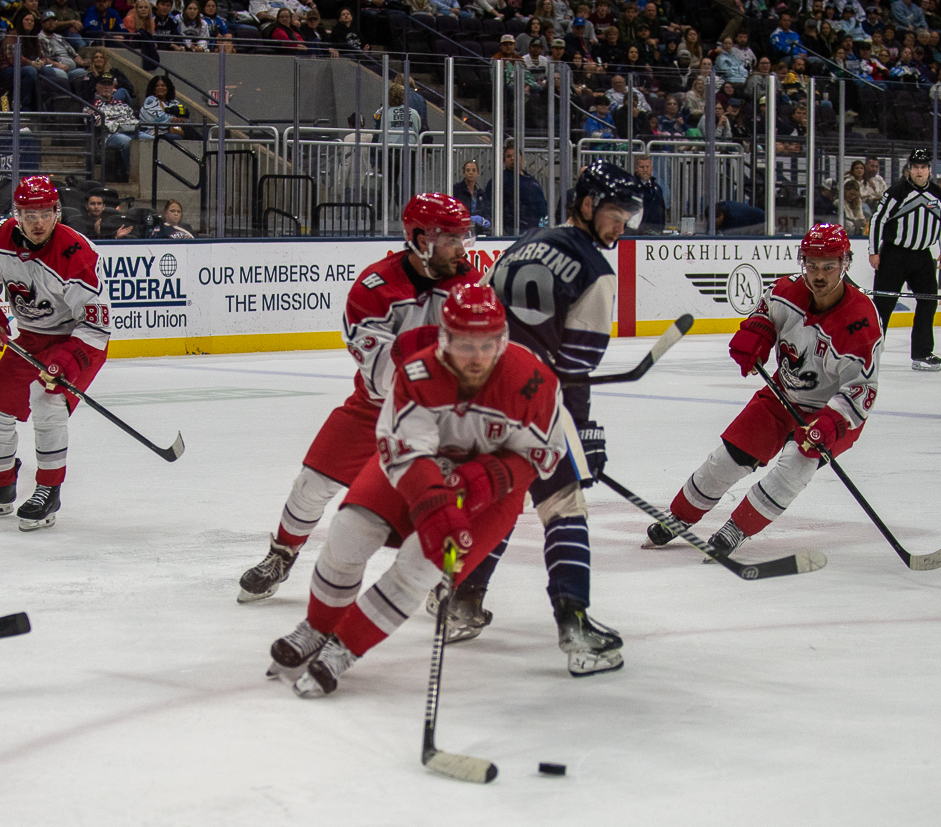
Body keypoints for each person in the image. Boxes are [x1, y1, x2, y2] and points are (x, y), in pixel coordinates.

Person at [267, 286, 565, 698]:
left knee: (420, 567)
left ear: (502, 340)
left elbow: (542, 455)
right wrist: (435, 504)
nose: (477, 357)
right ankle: (317, 628)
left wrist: (486, 479)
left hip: (493, 492)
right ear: (445, 339)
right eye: (465, 344)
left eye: (487, 345)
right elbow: (403, 449)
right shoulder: (417, 372)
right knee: (348, 532)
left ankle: (344, 649)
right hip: (417, 470)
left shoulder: (532, 381)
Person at [443, 162, 642, 674]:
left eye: (627, 216)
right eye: (615, 213)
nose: (621, 225)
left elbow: (476, 307)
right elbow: (574, 369)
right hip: (534, 398)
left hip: (481, 389)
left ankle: (462, 602)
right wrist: (582, 432)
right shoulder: (596, 272)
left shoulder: (527, 241)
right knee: (563, 503)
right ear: (588, 204)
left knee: (506, 498)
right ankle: (574, 622)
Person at [236, 194, 475, 603]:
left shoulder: (469, 284)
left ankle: (446, 578)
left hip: (445, 416)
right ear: (421, 240)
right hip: (377, 408)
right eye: (451, 239)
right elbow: (383, 377)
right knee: (312, 484)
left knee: (449, 499)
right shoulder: (374, 287)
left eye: (463, 237)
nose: (462, 249)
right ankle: (282, 553)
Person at [645, 224, 882, 559]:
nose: (819, 275)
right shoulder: (786, 290)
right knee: (726, 459)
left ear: (845, 264)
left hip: (830, 412)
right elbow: (765, 310)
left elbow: (862, 389)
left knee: (795, 466)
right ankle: (680, 516)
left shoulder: (860, 322)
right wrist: (758, 332)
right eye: (812, 265)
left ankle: (736, 529)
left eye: (828, 266)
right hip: (782, 395)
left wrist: (830, 424)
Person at [0, 176, 108, 531]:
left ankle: (48, 490)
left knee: (46, 402)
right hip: (31, 339)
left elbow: (96, 327)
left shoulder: (78, 255)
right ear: (16, 215)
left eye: (45, 213)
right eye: (29, 214)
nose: (38, 222)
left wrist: (67, 361)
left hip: (77, 340)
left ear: (57, 213)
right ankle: (1, 486)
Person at [867, 148, 941, 371]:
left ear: (929, 169)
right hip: (894, 255)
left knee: (928, 301)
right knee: (883, 305)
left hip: (922, 256)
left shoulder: (938, 194)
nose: (919, 171)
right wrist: (874, 251)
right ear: (909, 169)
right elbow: (877, 220)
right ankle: (870, 352)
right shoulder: (897, 192)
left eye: (923, 167)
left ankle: (922, 353)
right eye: (915, 167)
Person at [89, 71, 138, 181]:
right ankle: (130, 174)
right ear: (97, 86)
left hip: (131, 131)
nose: (106, 87)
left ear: (113, 87)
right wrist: (120, 124)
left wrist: (121, 124)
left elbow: (133, 120)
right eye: (103, 84)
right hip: (108, 136)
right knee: (126, 141)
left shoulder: (122, 104)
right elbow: (95, 122)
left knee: (150, 139)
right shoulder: (92, 105)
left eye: (109, 84)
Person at [489, 145, 546, 234]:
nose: (512, 158)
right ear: (504, 161)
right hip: (511, 229)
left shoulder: (531, 179)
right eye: (508, 156)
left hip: (534, 228)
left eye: (515, 155)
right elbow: (490, 205)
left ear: (521, 157)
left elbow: (542, 203)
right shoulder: (499, 180)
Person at [450, 158, 490, 232]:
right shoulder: (457, 189)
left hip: (478, 230)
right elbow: (453, 212)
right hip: (460, 229)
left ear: (478, 173)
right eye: (468, 170)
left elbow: (486, 211)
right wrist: (470, 218)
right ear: (463, 173)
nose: (471, 173)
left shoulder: (480, 193)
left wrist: (486, 220)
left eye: (474, 170)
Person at [631, 153, 666, 232]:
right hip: (637, 233)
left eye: (647, 167)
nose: (645, 170)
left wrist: (661, 228)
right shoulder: (632, 187)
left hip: (656, 232)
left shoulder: (657, 188)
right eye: (642, 167)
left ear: (652, 168)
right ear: (636, 169)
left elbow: (662, 211)